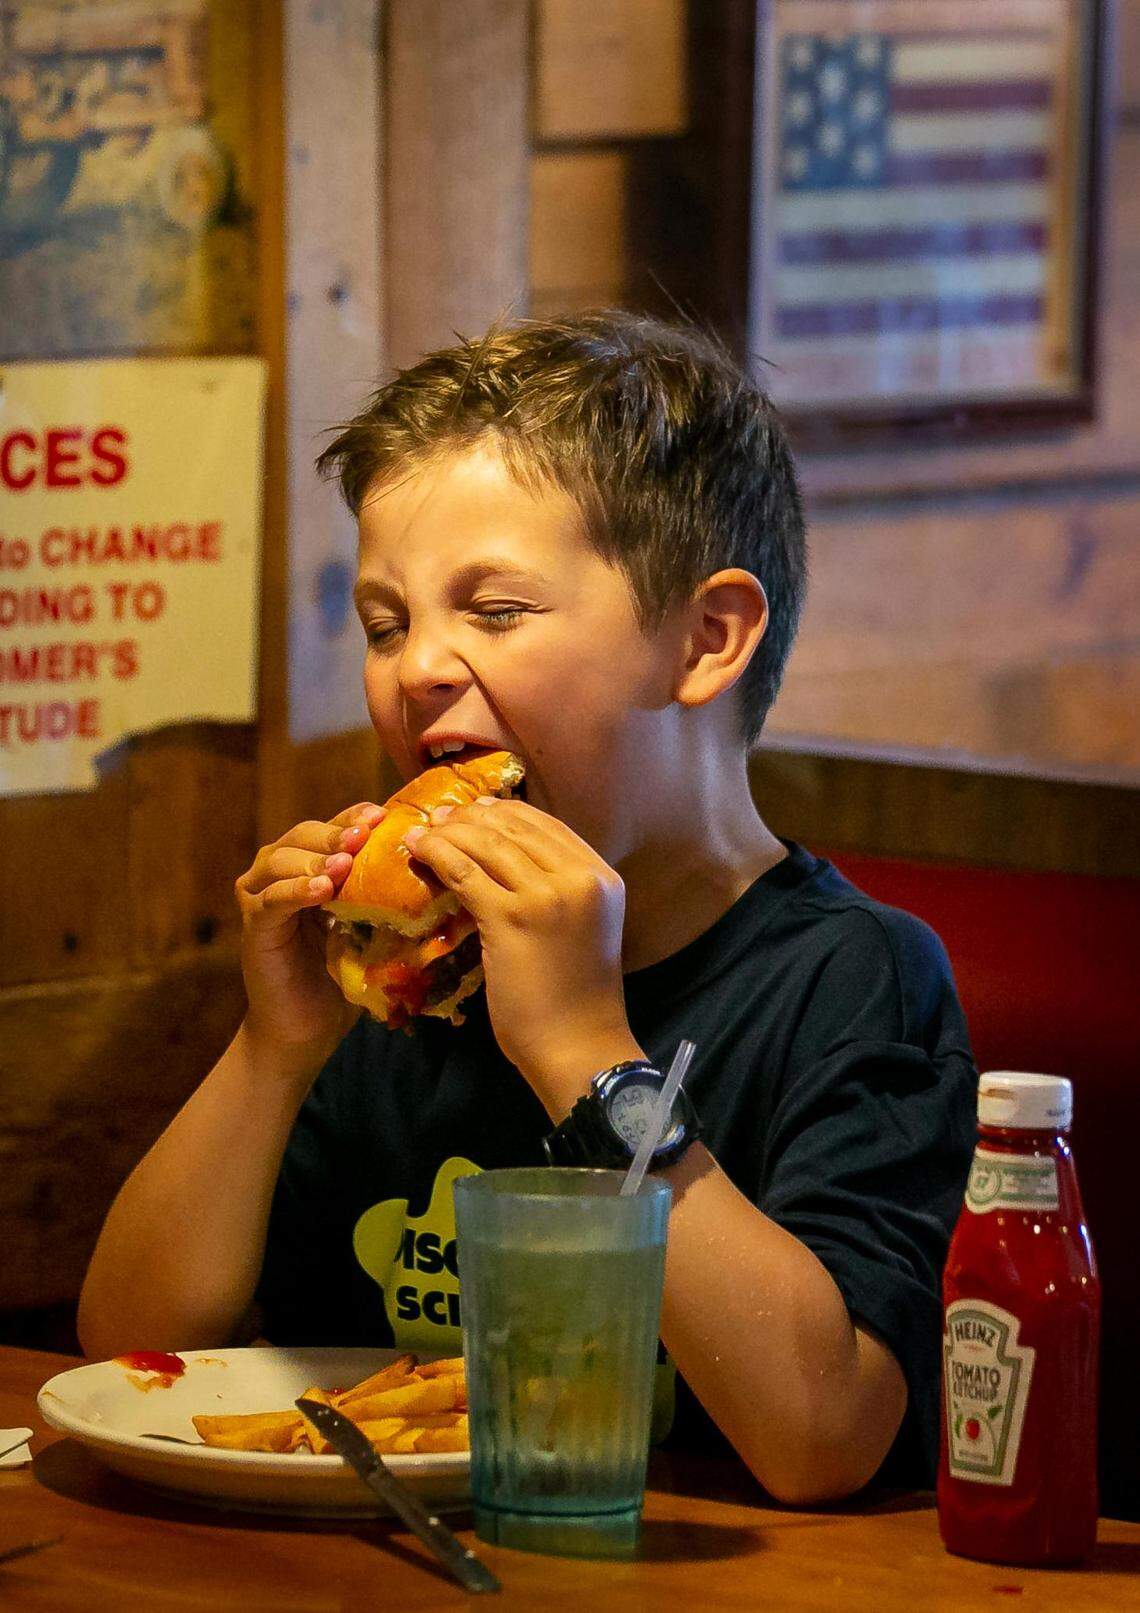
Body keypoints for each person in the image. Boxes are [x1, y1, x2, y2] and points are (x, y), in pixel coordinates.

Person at [78, 311, 976, 1503]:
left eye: (494, 612)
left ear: (706, 640)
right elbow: (127, 1346)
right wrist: (273, 1048)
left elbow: (823, 1435)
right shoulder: (412, 978)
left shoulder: (856, 976)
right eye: (387, 622)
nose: (420, 668)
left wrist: (586, 1054)